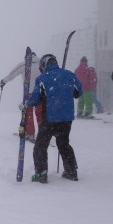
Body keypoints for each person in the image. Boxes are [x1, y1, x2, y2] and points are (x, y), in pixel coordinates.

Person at [23, 54, 82, 183]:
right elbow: (78, 92)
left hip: (49, 119)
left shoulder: (42, 79)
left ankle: (41, 174)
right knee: (63, 144)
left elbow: (34, 99)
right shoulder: (69, 75)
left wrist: (25, 103)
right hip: (66, 118)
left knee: (40, 146)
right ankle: (71, 171)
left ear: (43, 65)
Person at [1, 52, 42, 142]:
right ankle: (43, 134)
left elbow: (13, 73)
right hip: (40, 93)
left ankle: (30, 134)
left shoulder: (24, 64)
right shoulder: (41, 63)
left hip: (29, 93)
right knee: (40, 114)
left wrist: (4, 81)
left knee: (28, 113)